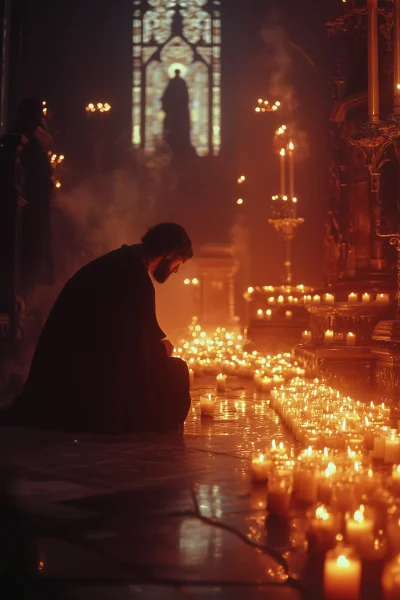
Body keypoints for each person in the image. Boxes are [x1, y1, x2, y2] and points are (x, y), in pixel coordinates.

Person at [6, 223, 193, 434]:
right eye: (180, 261)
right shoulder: (134, 276)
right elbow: (138, 351)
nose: (177, 270)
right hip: (94, 377)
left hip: (75, 367)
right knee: (177, 371)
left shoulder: (118, 263)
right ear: (168, 253)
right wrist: (164, 349)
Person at [161, 69, 193, 154]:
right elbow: (167, 95)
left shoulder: (182, 82)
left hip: (181, 111)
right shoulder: (172, 82)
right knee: (172, 127)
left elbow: (185, 96)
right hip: (173, 111)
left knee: (181, 128)